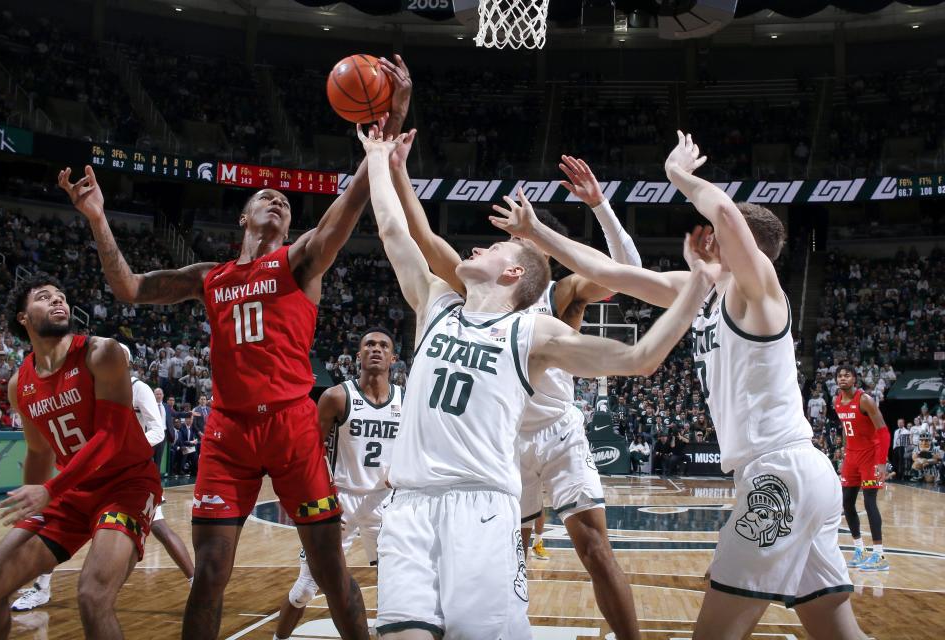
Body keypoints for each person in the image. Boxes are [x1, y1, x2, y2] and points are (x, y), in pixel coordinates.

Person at [57, 56, 412, 639]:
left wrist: (388, 124)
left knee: (328, 569)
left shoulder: (299, 260)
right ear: (243, 217)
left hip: (294, 424)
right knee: (212, 572)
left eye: (286, 203)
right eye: (267, 197)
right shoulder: (208, 276)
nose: (278, 202)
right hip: (229, 432)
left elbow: (350, 205)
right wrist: (98, 217)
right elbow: (128, 289)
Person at [495, 131, 866, 639]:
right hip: (794, 477)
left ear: (736, 244)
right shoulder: (705, 291)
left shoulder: (757, 292)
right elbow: (612, 272)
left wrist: (680, 176)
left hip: (781, 473)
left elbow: (732, 217)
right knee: (836, 631)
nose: (705, 238)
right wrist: (537, 232)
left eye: (713, 233)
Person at [357, 125, 717, 639]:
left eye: (503, 244)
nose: (483, 246)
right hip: (482, 458)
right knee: (509, 558)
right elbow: (407, 233)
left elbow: (626, 280)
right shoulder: (443, 304)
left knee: (592, 546)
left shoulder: (549, 305)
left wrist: (599, 207)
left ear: (522, 262)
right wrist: (388, 165)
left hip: (544, 436)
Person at [0, 275, 160, 639]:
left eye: (61, 296)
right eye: (45, 297)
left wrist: (50, 489)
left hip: (125, 485)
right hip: (71, 493)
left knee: (92, 596)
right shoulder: (21, 384)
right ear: (23, 317)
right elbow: (38, 449)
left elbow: (111, 437)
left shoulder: (102, 352)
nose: (58, 301)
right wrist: (31, 504)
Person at [13, 343, 195, 612]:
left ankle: (196, 582)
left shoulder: (138, 388)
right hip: (91, 475)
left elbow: (158, 431)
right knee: (55, 529)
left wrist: (125, 451)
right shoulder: (91, 386)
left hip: (129, 475)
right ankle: (41, 588)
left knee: (161, 529)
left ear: (127, 362)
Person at [274, 327, 402, 640]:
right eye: (368, 344)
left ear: (393, 357)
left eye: (383, 345)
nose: (375, 349)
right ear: (358, 355)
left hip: (385, 501)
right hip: (340, 501)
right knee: (306, 585)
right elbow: (309, 451)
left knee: (393, 581)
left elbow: (417, 446)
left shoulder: (405, 398)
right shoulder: (336, 396)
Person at [834, 365, 891, 572]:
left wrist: (882, 462)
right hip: (852, 457)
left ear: (854, 379)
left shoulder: (865, 400)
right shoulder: (836, 401)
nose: (842, 378)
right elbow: (846, 428)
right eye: (839, 376)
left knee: (869, 502)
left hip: (870, 457)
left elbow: (883, 431)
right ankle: (860, 549)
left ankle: (879, 555)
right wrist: (844, 450)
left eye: (847, 375)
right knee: (847, 503)